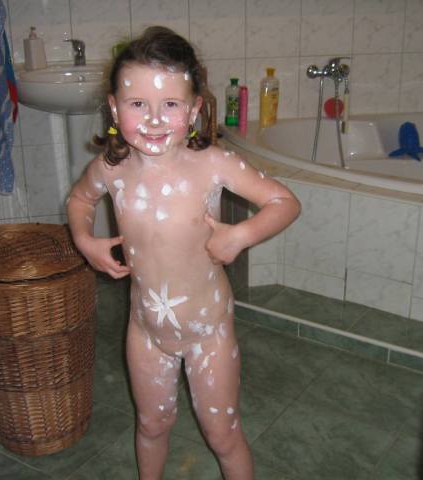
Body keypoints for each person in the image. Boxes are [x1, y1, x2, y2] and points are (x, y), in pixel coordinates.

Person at [66, 26, 300, 480]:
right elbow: (80, 199)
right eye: (138, 104)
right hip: (146, 330)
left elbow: (285, 202)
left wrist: (241, 235)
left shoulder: (213, 164)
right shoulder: (111, 169)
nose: (154, 120)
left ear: (193, 111)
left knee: (223, 435)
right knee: (151, 425)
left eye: (170, 105)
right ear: (114, 107)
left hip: (208, 331)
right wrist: (84, 239)